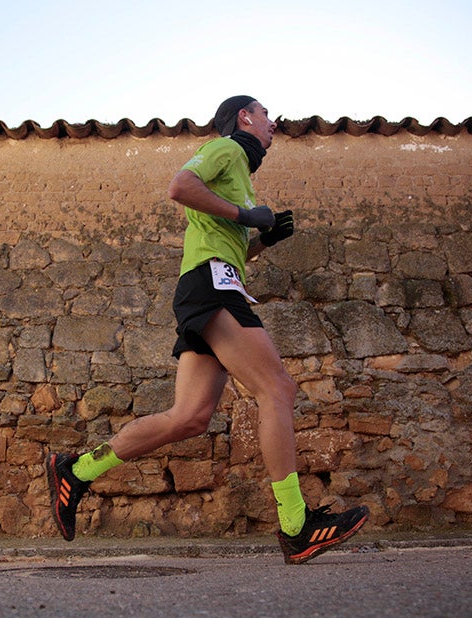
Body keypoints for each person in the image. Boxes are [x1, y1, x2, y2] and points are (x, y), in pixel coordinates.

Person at [46, 95, 369, 564]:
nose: (272, 123)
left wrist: (261, 239)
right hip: (212, 287)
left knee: (190, 418)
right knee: (277, 389)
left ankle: (76, 470)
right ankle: (296, 526)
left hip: (211, 284)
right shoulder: (229, 149)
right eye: (265, 114)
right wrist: (244, 215)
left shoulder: (238, 173)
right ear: (244, 118)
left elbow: (223, 245)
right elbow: (179, 186)